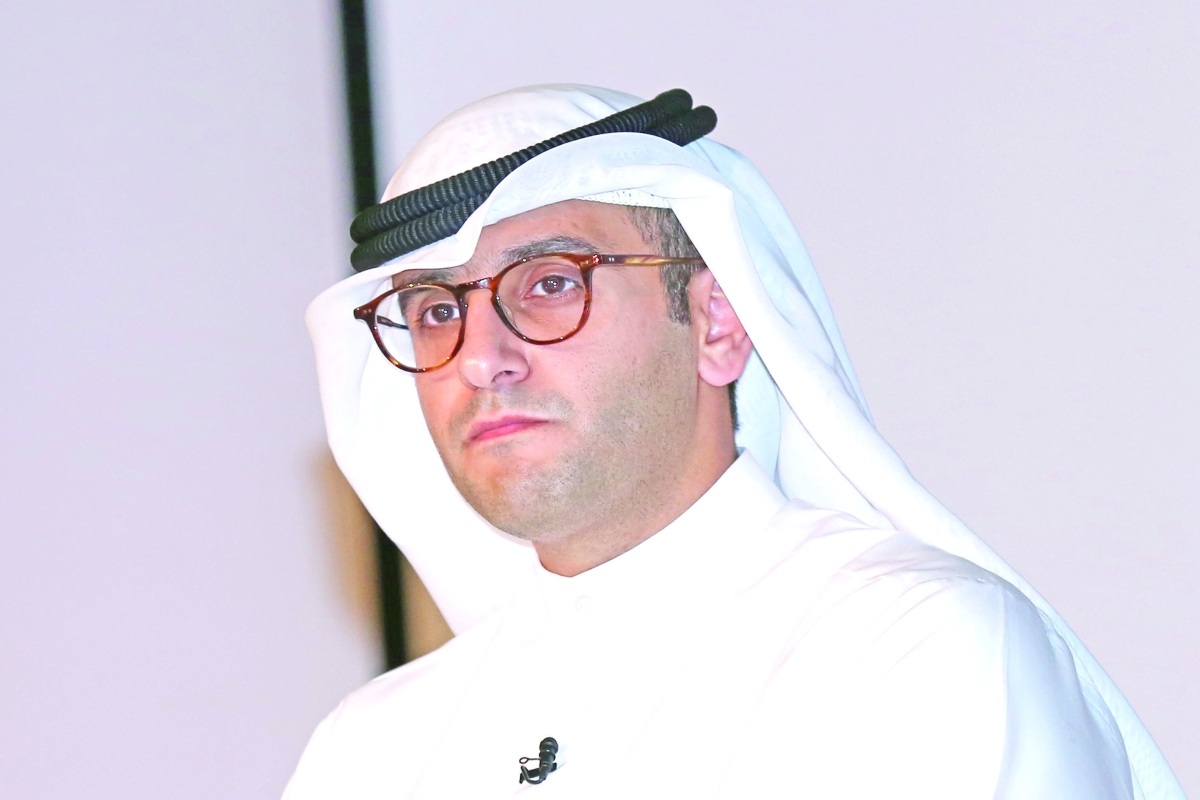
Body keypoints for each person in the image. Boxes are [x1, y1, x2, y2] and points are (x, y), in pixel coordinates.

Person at [286, 86, 1184, 798]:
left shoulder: (915, 648)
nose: (482, 358)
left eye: (552, 283)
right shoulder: (371, 750)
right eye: (436, 310)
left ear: (717, 321)